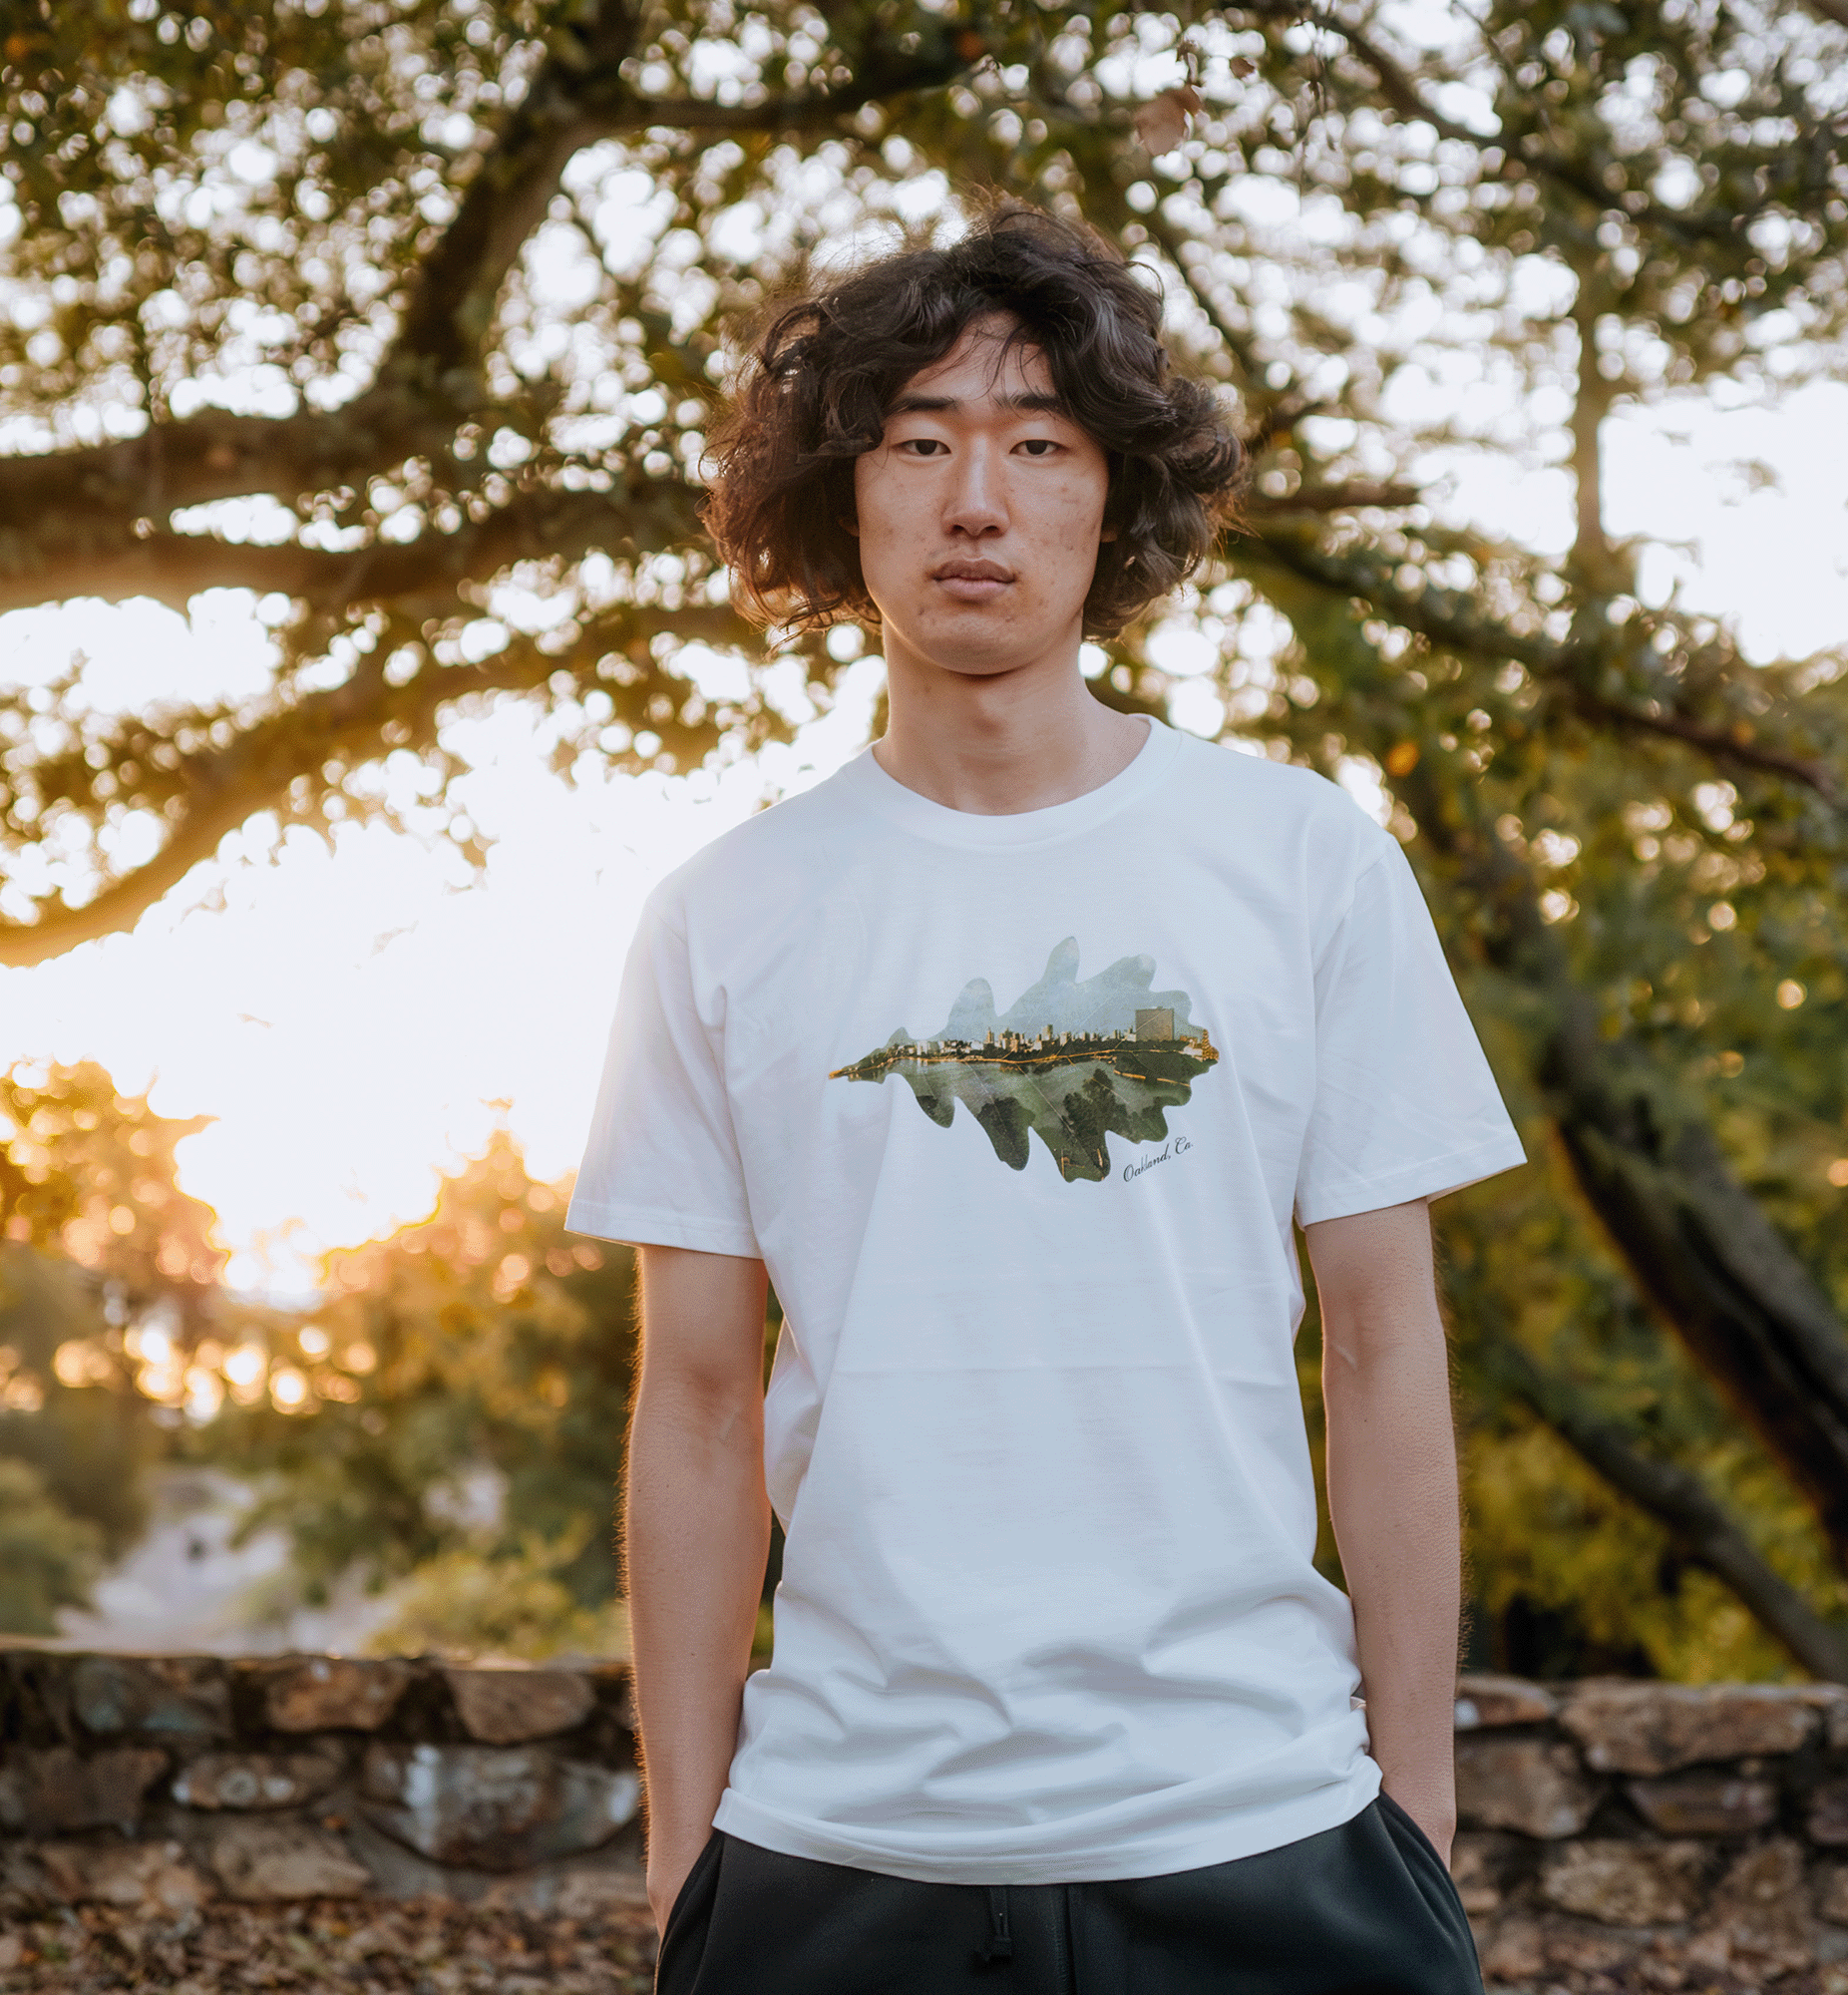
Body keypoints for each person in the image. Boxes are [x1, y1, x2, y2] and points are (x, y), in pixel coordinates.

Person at [567, 202, 1526, 1994]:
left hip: (1267, 1835)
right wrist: (685, 1858)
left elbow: (1385, 1341)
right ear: (842, 503)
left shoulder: (1301, 858)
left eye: (1038, 444)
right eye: (916, 443)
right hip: (838, 1859)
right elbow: (695, 1401)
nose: (974, 500)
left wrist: (1418, 1807)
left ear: (1116, 501)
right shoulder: (722, 917)